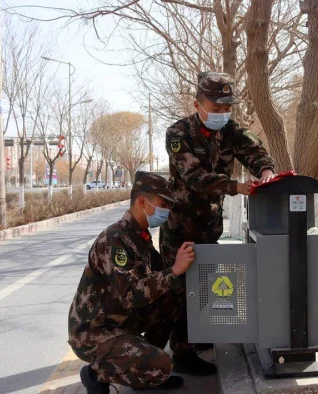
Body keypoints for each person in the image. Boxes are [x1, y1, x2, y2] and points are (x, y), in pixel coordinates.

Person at [159, 71, 277, 369]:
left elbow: (254, 150)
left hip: (211, 223)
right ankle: (182, 354)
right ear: (197, 104)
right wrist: (236, 187)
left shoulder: (230, 130)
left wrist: (265, 170)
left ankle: (197, 336)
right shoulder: (178, 134)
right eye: (216, 109)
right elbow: (195, 177)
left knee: (204, 284)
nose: (222, 114)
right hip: (181, 227)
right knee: (181, 288)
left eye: (227, 109)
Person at [68, 171, 209, 394]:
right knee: (161, 366)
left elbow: (158, 278)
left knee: (174, 295)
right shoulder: (115, 239)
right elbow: (132, 296)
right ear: (142, 202)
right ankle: (97, 374)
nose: (167, 211)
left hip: (122, 320)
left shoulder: (138, 236)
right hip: (94, 332)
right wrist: (174, 270)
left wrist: (180, 262)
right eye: (163, 204)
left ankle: (144, 365)